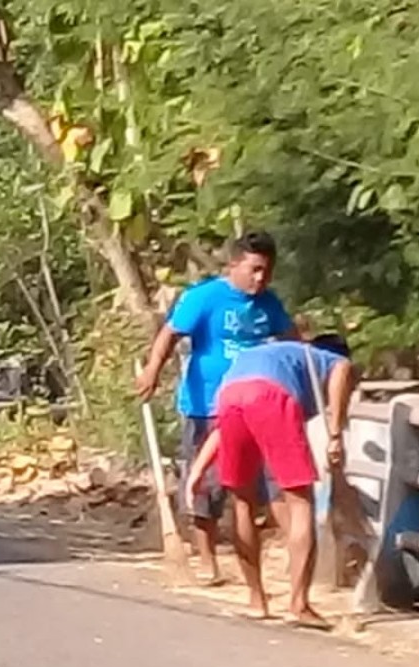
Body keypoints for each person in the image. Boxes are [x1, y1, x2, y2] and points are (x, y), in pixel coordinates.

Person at [137, 232, 299, 584]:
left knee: (272, 483)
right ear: (234, 265)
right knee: (207, 485)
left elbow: (292, 344)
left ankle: (294, 557)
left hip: (259, 407)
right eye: (254, 270)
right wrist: (152, 370)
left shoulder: (269, 304)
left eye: (266, 272)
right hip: (208, 405)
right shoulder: (204, 298)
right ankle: (207, 559)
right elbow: (170, 334)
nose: (260, 279)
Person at [186, 335, 356, 628]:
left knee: (243, 502)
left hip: (229, 397)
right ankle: (299, 604)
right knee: (300, 500)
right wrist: (336, 433)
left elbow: (219, 430)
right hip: (270, 399)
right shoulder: (326, 358)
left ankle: (256, 601)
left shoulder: (273, 355)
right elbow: (342, 369)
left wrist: (196, 470)